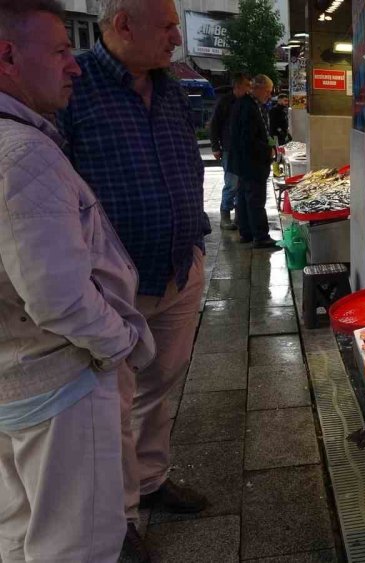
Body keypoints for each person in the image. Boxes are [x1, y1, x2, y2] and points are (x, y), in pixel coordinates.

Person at [0, 1, 155, 561]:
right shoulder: (23, 154)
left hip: (17, 378)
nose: (75, 66)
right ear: (9, 56)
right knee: (77, 544)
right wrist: (120, 344)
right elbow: (57, 296)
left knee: (20, 534)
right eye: (62, 50)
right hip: (57, 383)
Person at [57, 0, 212, 558]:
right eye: (168, 26)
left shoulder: (170, 89)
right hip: (109, 286)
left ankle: (150, 480)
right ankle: (117, 518)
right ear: (124, 25)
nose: (176, 38)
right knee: (109, 404)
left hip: (177, 267)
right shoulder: (74, 84)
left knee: (160, 387)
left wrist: (195, 240)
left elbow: (186, 166)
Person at [229, 74, 280, 249]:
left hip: (245, 162)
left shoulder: (249, 104)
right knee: (255, 199)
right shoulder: (248, 107)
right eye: (268, 91)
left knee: (244, 197)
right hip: (252, 162)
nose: (269, 95)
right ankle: (260, 235)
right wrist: (267, 150)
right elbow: (248, 138)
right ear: (257, 88)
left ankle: (247, 232)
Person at [209, 73, 251, 231]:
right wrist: (215, 146)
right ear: (238, 86)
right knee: (231, 183)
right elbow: (214, 124)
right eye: (247, 85)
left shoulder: (247, 102)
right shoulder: (225, 102)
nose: (249, 89)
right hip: (229, 148)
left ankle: (240, 215)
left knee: (242, 183)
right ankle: (225, 215)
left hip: (244, 149)